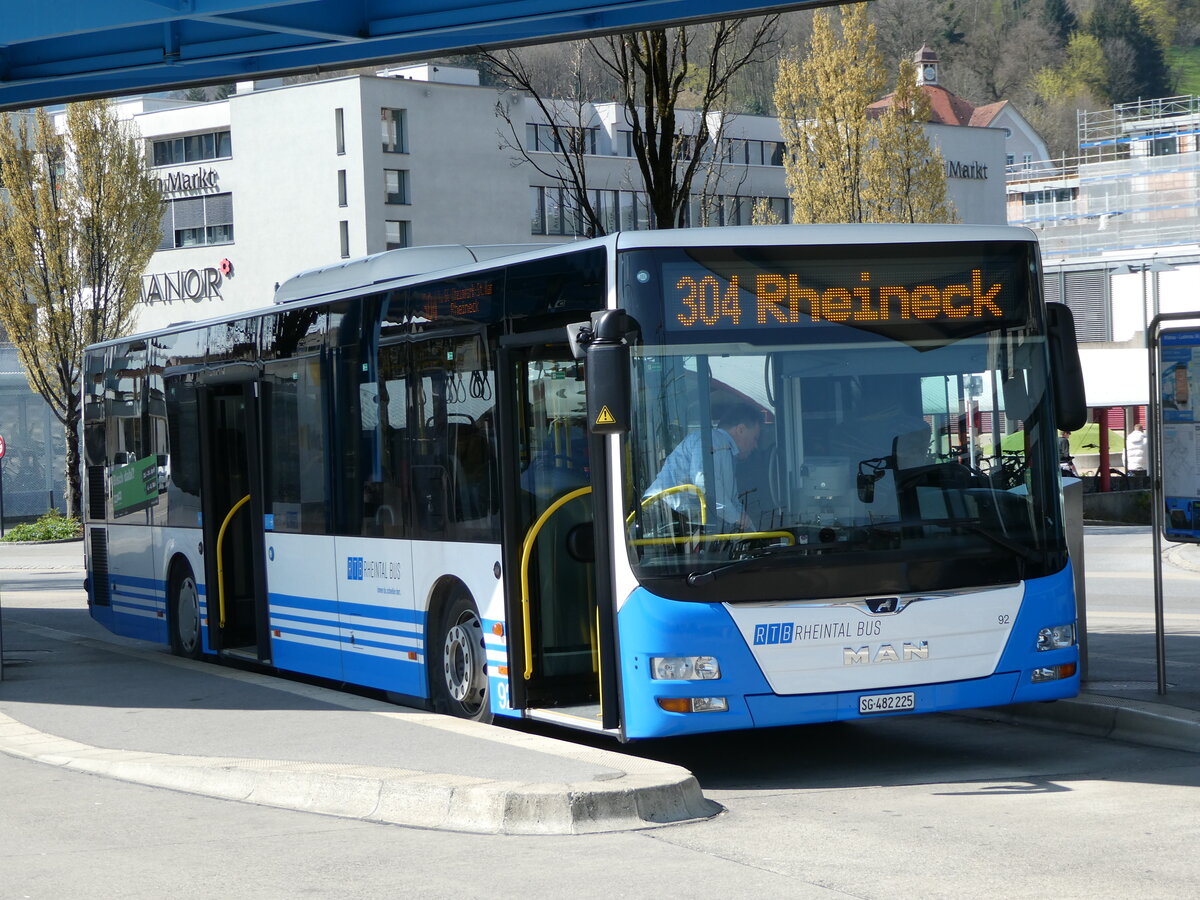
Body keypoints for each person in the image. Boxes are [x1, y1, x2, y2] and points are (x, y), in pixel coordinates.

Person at [645, 403, 762, 531]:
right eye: (755, 438)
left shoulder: (726, 451)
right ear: (740, 429)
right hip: (662, 513)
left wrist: (750, 530)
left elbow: (730, 501)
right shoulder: (714, 440)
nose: (755, 446)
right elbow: (706, 485)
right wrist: (736, 518)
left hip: (672, 514)